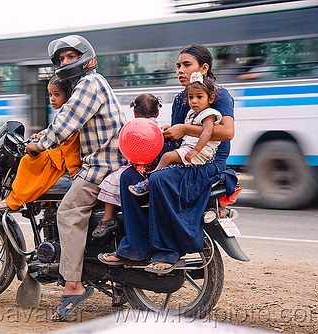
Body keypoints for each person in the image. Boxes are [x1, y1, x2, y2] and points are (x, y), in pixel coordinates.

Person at [99, 44, 235, 274]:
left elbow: (227, 132)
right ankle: (135, 248)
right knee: (127, 177)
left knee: (160, 179)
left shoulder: (218, 95)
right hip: (182, 157)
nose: (180, 70)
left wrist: (182, 129)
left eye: (186, 65)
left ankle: (167, 251)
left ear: (203, 68)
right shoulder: (184, 97)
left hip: (206, 162)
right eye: (178, 66)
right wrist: (168, 131)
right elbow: (181, 133)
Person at [25, 35, 127, 321]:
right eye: (62, 59)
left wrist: (39, 144)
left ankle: (72, 285)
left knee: (68, 211)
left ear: (85, 56)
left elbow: (66, 120)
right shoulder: (90, 84)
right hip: (110, 162)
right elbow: (67, 120)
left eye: (71, 56)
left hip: (102, 166)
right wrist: (43, 135)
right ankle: (114, 282)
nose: (66, 62)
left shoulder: (89, 83)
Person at [0, 76, 81, 211]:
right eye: (50, 95)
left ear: (69, 95)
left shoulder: (68, 112)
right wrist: (44, 134)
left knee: (27, 161)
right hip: (65, 153)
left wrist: (40, 143)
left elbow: (59, 132)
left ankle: (14, 200)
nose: (52, 99)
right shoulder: (66, 113)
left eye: (57, 95)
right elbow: (57, 130)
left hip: (66, 157)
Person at [128, 72, 222, 196]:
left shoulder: (209, 114)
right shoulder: (192, 113)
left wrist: (196, 150)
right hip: (188, 148)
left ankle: (148, 182)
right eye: (190, 97)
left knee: (167, 157)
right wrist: (170, 128)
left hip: (200, 152)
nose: (194, 101)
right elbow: (188, 131)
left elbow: (207, 132)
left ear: (210, 99)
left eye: (199, 97)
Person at [92, 93, 161, 238]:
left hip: (137, 168)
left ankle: (107, 218)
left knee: (110, 181)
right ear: (158, 112)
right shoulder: (159, 129)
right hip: (155, 168)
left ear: (134, 113)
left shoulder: (133, 128)